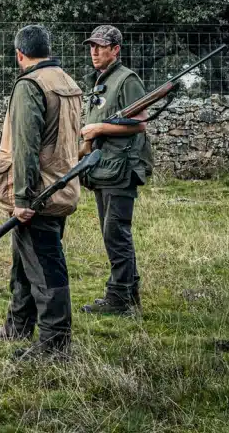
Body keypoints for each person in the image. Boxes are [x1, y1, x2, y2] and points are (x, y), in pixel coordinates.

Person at [0, 25, 83, 359]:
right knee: (26, 262)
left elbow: (26, 146)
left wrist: (22, 199)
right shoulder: (67, 81)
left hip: (38, 194)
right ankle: (17, 326)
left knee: (45, 267)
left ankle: (55, 345)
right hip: (60, 185)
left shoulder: (31, 85)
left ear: (19, 54)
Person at [78, 25, 153, 316]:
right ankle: (128, 293)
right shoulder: (100, 80)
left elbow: (140, 123)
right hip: (104, 168)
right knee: (111, 232)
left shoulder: (126, 79)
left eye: (101, 46)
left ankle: (119, 300)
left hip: (122, 168)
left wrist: (98, 128)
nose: (94, 51)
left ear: (116, 49)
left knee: (115, 233)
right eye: (92, 46)